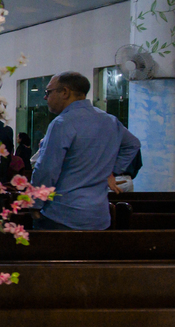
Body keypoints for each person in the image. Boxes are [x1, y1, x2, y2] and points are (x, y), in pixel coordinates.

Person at [30, 71, 140, 230]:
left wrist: (35, 203)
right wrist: (113, 171)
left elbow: (47, 169)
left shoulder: (62, 123)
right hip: (99, 216)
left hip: (62, 215)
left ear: (65, 92)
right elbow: (133, 145)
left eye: (48, 92)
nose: (46, 97)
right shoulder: (110, 120)